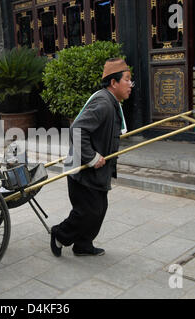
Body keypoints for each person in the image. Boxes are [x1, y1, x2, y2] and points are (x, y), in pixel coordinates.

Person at [50, 58, 133, 257]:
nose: (131, 85)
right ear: (114, 83)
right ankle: (59, 234)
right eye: (127, 80)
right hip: (82, 169)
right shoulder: (104, 103)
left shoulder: (111, 102)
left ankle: (83, 245)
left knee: (99, 209)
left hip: (95, 170)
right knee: (88, 211)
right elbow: (77, 129)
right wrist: (92, 157)